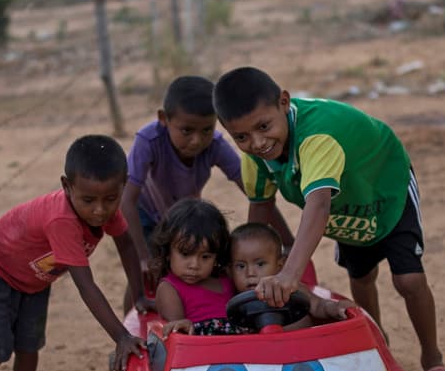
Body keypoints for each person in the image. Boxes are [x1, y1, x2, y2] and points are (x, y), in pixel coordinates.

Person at [212, 66, 445, 371]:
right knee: (361, 277)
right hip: (344, 209)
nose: (257, 143)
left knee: (408, 280)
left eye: (264, 126)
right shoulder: (256, 159)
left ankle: (432, 361)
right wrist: (251, 266)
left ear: (284, 103)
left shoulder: (317, 135)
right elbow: (260, 215)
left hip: (384, 190)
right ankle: (379, 345)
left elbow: (317, 206)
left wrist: (289, 275)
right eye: (241, 138)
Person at [0, 135, 147, 371]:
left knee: (30, 347)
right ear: (66, 186)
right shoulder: (63, 220)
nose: (100, 210)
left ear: (123, 186)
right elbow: (86, 286)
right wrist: (122, 336)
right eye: (88, 200)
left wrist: (138, 294)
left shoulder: (106, 207)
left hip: (35, 278)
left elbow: (126, 244)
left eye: (110, 199)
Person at [122, 75, 294, 305]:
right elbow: (127, 201)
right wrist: (143, 257)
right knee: (148, 275)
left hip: (182, 219)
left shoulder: (215, 144)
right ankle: (134, 319)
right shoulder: (149, 140)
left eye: (206, 130)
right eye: (186, 131)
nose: (197, 140)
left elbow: (256, 193)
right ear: (164, 119)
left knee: (200, 270)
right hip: (145, 214)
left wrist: (287, 241)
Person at [228, 222, 351, 327]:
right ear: (229, 270)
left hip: (305, 350)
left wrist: (334, 308)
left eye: (260, 264)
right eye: (241, 266)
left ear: (280, 265)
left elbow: (318, 306)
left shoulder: (292, 289)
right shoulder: (230, 300)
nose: (250, 273)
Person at [150, 198, 240, 337]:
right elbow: (176, 333)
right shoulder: (170, 288)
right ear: (168, 252)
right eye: (185, 254)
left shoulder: (227, 279)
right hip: (199, 354)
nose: (194, 265)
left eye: (205, 257)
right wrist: (182, 324)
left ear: (217, 255)